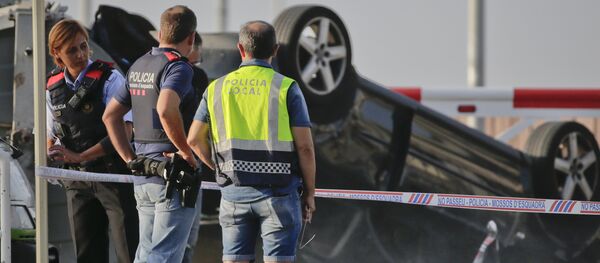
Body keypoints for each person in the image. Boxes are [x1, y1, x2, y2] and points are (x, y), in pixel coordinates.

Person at [187, 20, 316, 263]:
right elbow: (305, 147)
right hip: (279, 195)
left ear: (240, 48)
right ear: (275, 50)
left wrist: (220, 168)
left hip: (234, 194)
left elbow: (193, 139)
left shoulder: (216, 88)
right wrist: (310, 192)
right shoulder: (287, 88)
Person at [102, 5, 201, 263]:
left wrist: (129, 159)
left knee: (146, 255)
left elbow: (110, 116)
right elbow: (166, 109)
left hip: (143, 175)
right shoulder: (179, 68)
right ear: (191, 37)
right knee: (164, 257)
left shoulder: (140, 64)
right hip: (172, 176)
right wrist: (186, 151)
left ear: (160, 33)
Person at [45, 19, 138, 263]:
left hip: (112, 176)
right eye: (72, 50)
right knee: (87, 255)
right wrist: (53, 154)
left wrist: (80, 156)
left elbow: (125, 132)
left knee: (128, 252)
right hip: (77, 182)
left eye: (83, 46)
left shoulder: (111, 79)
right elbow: (50, 133)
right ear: (57, 53)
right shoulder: (51, 86)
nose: (80, 54)